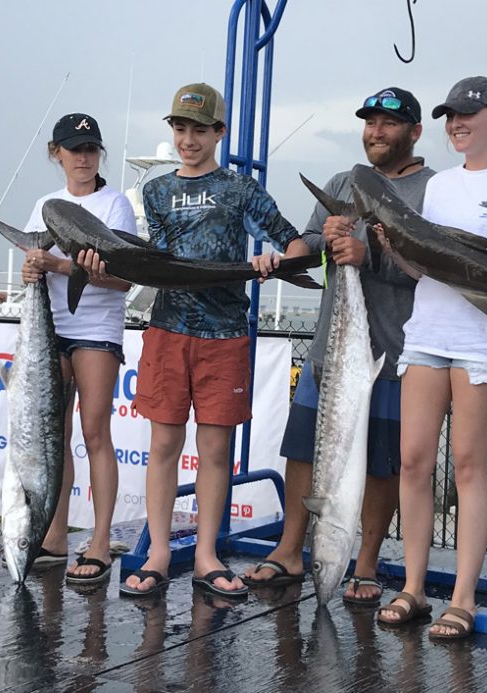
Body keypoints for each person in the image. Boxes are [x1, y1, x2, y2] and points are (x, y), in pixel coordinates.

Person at [377, 77, 487, 639]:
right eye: (450, 116)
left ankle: (461, 598)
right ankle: (412, 587)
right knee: (412, 461)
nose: (456, 123)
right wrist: (394, 248)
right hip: (428, 331)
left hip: (486, 338)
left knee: (466, 465)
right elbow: (424, 269)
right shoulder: (438, 187)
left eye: (467, 114)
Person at [242, 86, 433, 607]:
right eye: (371, 122)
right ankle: (289, 551)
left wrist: (365, 254)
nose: (376, 131)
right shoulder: (341, 183)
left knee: (380, 464)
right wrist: (284, 256)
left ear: (414, 132)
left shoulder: (432, 191)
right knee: (303, 450)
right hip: (331, 349)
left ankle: (365, 562)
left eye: (389, 124)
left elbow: (430, 270)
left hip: (392, 355)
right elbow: (309, 243)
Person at [122, 82, 308, 598]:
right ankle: (160, 551)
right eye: (180, 128)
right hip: (167, 328)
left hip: (224, 334)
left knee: (215, 449)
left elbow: (292, 242)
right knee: (163, 443)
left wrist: (276, 261)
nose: (188, 139)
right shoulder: (156, 191)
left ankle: (206, 554)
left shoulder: (240, 189)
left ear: (219, 132)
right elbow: (155, 261)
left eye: (199, 130)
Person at [21, 112, 137, 584]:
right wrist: (33, 269)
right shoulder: (45, 204)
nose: (84, 158)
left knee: (94, 432)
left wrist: (62, 267)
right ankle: (53, 535)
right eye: (74, 149)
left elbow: (125, 280)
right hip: (50, 329)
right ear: (57, 153)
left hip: (95, 329)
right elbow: (36, 259)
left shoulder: (115, 206)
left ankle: (100, 539)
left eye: (91, 149)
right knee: (54, 436)